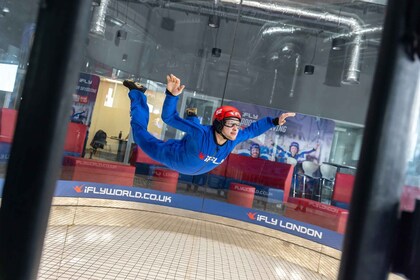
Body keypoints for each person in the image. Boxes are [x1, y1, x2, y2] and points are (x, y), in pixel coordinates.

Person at [124, 74, 295, 175]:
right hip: (173, 156)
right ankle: (137, 93)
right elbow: (169, 118)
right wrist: (171, 95)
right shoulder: (202, 133)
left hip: (192, 153)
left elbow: (252, 130)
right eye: (231, 124)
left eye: (237, 124)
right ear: (220, 124)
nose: (236, 128)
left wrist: (274, 121)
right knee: (140, 136)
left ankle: (192, 116)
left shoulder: (233, 138)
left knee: (194, 132)